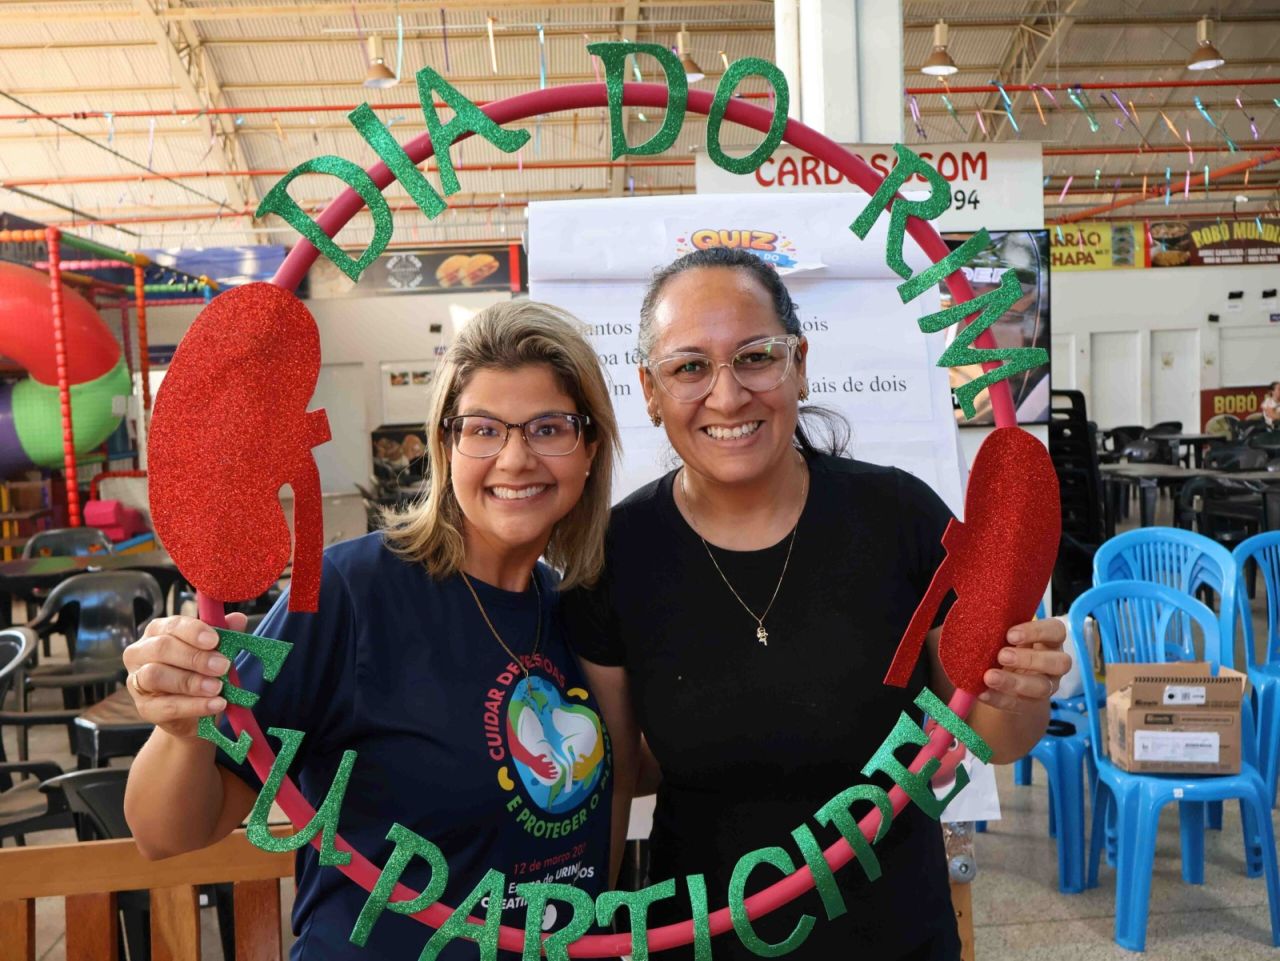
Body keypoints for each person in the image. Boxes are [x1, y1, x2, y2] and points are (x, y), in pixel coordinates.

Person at [564, 247, 1071, 961]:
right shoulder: (617, 556)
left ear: (799, 364)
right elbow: (613, 780)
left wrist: (1020, 688)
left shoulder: (899, 517)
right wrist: (589, 934)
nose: (727, 396)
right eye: (689, 368)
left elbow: (996, 735)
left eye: (755, 357)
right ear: (650, 390)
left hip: (896, 938)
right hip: (702, 939)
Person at [124, 301, 622, 960]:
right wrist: (180, 727)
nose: (515, 457)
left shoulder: (573, 608)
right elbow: (167, 832)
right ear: (444, 446)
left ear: (589, 448)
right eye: (483, 429)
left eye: (549, 428)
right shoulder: (351, 592)